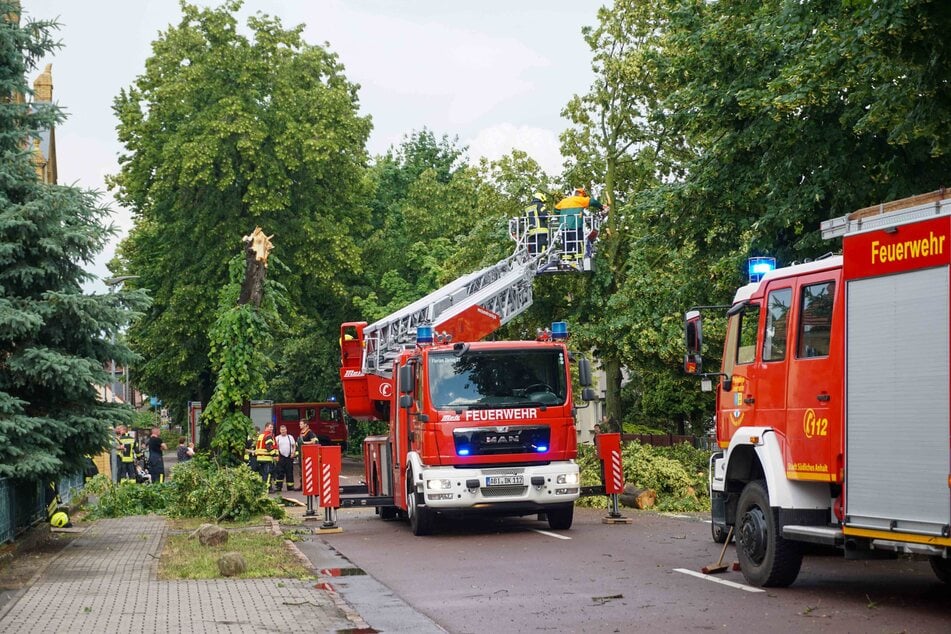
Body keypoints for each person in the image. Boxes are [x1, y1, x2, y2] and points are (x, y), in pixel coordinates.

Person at [554, 187, 602, 261]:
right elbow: (592, 201)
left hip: (564, 226)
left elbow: (556, 210)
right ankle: (579, 260)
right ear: (580, 194)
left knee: (567, 245)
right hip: (576, 225)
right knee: (578, 243)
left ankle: (567, 261)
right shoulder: (579, 199)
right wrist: (601, 207)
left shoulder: (564, 201)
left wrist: (563, 216)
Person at [273, 424, 297, 492]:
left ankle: (290, 486)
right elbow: (275, 447)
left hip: (289, 457)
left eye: (284, 430)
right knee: (280, 472)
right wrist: (276, 456)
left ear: (286, 430)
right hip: (280, 457)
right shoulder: (277, 438)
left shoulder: (290, 437)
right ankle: (279, 486)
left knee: (289, 472)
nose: (283, 431)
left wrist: (293, 453)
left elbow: (293, 445)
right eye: (282, 430)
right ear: (280, 431)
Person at [524, 192, 549, 256]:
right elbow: (544, 216)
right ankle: (542, 259)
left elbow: (524, 219)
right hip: (541, 230)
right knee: (542, 245)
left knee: (533, 247)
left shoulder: (528, 207)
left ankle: (534, 260)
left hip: (531, 232)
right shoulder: (540, 205)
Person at [297, 420, 318, 490]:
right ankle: (302, 485)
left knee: (307, 470)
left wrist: (304, 443)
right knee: (301, 471)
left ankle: (308, 486)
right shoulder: (301, 432)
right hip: (301, 454)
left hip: (307, 455)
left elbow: (314, 441)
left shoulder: (309, 432)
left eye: (301, 424)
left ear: (305, 424)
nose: (299, 425)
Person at [255, 422, 277, 489]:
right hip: (266, 458)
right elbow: (269, 447)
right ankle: (266, 489)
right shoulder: (268, 435)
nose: (272, 428)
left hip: (259, 458)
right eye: (270, 427)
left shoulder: (261, 435)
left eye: (272, 427)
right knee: (267, 475)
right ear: (266, 427)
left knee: (262, 474)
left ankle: (262, 488)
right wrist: (274, 455)